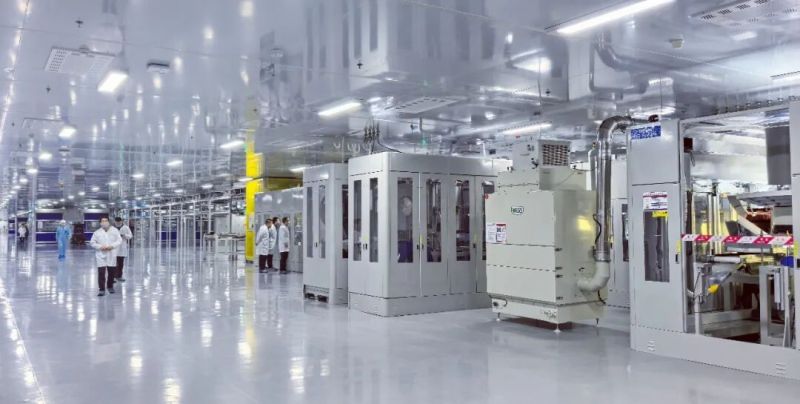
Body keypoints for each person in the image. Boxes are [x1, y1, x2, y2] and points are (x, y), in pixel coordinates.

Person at [89, 217, 122, 296]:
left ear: (109, 222)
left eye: (106, 221)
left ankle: (110, 286)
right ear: (100, 223)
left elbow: (119, 240)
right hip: (101, 254)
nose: (104, 222)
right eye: (102, 221)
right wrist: (100, 247)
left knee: (111, 272)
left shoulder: (114, 230)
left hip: (111, 253)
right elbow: (92, 242)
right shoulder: (97, 232)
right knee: (101, 272)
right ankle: (101, 289)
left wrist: (112, 246)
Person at [114, 217, 133, 282]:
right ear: (115, 222)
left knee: (120, 264)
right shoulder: (112, 228)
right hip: (113, 248)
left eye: (119, 222)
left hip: (122, 248)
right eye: (116, 222)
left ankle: (119, 276)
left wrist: (124, 235)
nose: (118, 223)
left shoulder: (126, 227)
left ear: (121, 221)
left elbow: (130, 236)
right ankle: (113, 277)